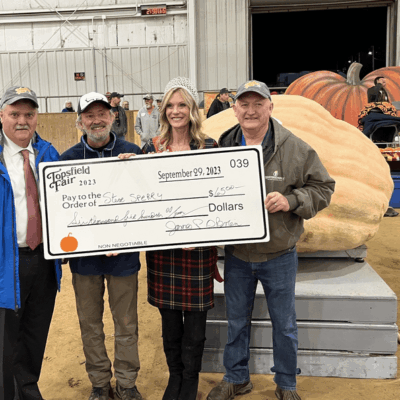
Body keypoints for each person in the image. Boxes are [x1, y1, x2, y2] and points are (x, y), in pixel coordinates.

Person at [206, 80, 335, 400]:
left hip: (279, 254)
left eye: (257, 104)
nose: (250, 111)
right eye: (244, 104)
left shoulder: (296, 148)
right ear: (234, 109)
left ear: (270, 107)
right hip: (237, 255)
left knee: (284, 325)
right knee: (236, 323)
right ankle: (237, 377)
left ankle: (286, 384)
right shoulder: (223, 146)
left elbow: (324, 188)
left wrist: (291, 201)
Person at [59, 92, 143, 400]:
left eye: (102, 114)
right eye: (89, 115)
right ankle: (98, 383)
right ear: (79, 121)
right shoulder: (66, 160)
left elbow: (146, 203)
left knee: (126, 322)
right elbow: (63, 214)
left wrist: (137, 171)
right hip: (86, 261)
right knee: (90, 323)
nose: (97, 120)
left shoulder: (132, 153)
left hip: (124, 258)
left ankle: (126, 382)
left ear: (113, 117)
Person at [143, 77, 218, 400]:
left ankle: (191, 380)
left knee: (196, 327)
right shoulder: (151, 148)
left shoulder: (210, 147)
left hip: (198, 251)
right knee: (170, 323)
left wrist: (200, 234)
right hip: (164, 252)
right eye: (170, 106)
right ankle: (175, 377)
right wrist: (124, 171)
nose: (176, 111)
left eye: (182, 105)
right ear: (163, 111)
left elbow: (218, 197)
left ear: (192, 109)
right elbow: (140, 196)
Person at [0, 86, 62, 400]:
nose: (22, 120)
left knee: (35, 333)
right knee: (6, 339)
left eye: (29, 114)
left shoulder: (49, 154)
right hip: (5, 262)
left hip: (44, 261)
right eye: (15, 114)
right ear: (1, 116)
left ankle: (28, 388)